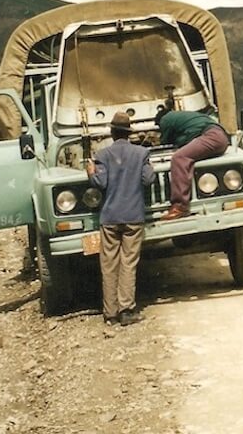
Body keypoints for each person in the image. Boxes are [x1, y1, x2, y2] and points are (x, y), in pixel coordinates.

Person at [87, 112, 155, 326]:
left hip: (109, 217)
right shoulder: (141, 153)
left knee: (109, 265)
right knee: (128, 263)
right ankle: (127, 310)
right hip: (133, 216)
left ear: (112, 132)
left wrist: (90, 172)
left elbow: (101, 182)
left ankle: (110, 312)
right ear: (129, 132)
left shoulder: (102, 154)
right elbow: (147, 179)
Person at [156, 103, 229, 220]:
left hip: (212, 136)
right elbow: (189, 135)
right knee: (189, 157)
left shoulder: (165, 119)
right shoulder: (186, 116)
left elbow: (165, 141)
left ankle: (180, 206)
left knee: (179, 158)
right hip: (220, 136)